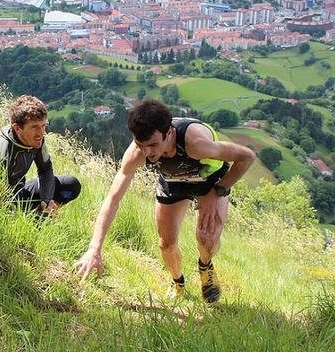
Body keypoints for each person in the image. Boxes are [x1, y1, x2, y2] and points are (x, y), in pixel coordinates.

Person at [73, 100, 255, 303]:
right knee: (166, 244)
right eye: (141, 145)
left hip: (210, 182)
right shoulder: (137, 153)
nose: (148, 153)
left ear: (168, 132)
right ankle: (178, 281)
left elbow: (246, 157)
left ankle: (205, 266)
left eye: (153, 145)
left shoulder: (196, 144)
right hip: (173, 180)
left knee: (207, 239)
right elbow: (113, 199)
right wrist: (94, 248)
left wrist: (218, 192)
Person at [0, 95, 81, 213]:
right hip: (0, 201)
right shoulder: (1, 152)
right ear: (17, 128)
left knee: (71, 185)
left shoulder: (35, 140)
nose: (41, 133)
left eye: (43, 126)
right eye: (34, 127)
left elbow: (45, 169)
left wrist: (46, 201)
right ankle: (37, 219)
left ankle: (45, 213)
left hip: (19, 192)